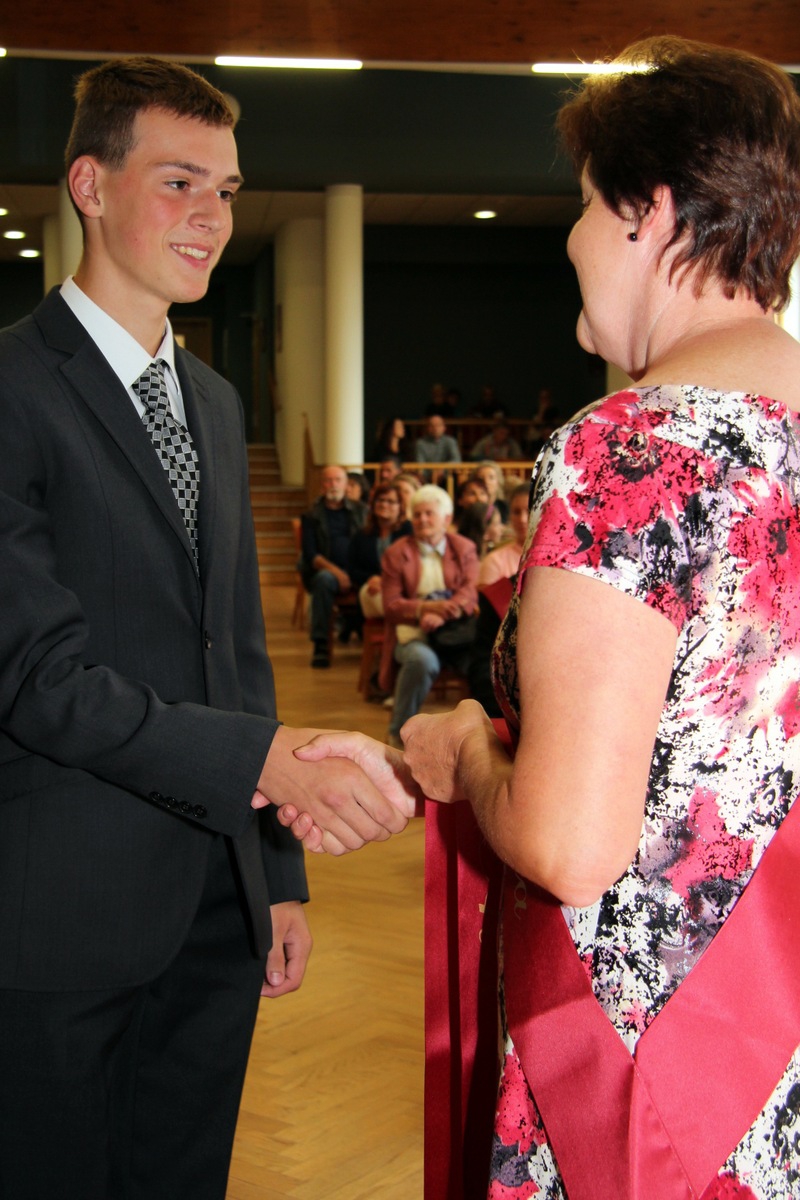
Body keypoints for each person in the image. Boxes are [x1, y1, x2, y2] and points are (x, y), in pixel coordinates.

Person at [278, 36, 800, 1199]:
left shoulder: (629, 448)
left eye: (580, 204)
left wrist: (466, 748)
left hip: (650, 1064)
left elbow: (569, 844)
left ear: (644, 212)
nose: (569, 239)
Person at [0, 56, 413, 1200]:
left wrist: (275, 875)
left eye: (225, 191)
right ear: (90, 185)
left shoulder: (218, 405)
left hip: (213, 911)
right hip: (61, 918)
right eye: (179, 182)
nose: (211, 217)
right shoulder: (13, 388)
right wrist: (266, 765)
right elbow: (34, 677)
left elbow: (234, 655)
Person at [379, 485, 478, 749]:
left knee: (484, 664)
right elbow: (390, 605)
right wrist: (425, 610)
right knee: (422, 661)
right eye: (417, 514)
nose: (422, 519)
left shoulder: (464, 548)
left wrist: (443, 615)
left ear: (447, 518)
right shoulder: (397, 553)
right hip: (412, 633)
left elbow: (469, 593)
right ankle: (398, 734)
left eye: (429, 514)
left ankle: (474, 741)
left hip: (454, 633)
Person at [300, 463, 367, 667]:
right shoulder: (311, 515)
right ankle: (321, 645)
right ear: (322, 486)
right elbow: (311, 555)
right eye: (328, 481)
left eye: (338, 480)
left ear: (346, 485)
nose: (333, 485)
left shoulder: (361, 511)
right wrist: (338, 573)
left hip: (359, 569)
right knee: (323, 580)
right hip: (328, 571)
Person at [347, 483, 411, 619]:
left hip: (403, 586)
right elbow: (352, 569)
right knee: (370, 593)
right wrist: (370, 578)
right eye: (380, 500)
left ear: (400, 507)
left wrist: (386, 581)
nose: (384, 504)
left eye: (391, 501)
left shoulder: (409, 532)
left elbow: (414, 564)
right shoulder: (361, 535)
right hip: (372, 587)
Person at [477, 482, 530, 585]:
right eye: (516, 512)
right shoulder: (495, 561)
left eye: (529, 511)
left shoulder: (559, 559)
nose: (522, 519)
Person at [413, 412, 462, 483]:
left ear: (444, 427)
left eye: (438, 425)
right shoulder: (420, 443)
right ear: (428, 428)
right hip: (427, 479)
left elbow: (457, 460)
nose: (435, 428)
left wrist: (443, 469)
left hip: (447, 478)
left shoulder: (450, 441)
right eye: (432, 426)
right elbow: (420, 465)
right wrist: (433, 474)